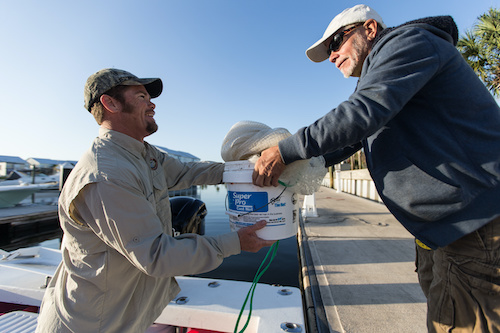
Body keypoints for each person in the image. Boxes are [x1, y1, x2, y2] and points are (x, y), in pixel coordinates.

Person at [252, 4, 500, 332]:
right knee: (444, 313)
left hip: (475, 222)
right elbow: (353, 136)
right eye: (329, 50)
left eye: (337, 42)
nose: (332, 55)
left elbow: (362, 112)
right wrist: (306, 163)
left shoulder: (409, 43)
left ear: (369, 29)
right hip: (442, 229)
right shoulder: (383, 71)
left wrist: (284, 151)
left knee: (461, 323)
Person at [36, 68, 275, 333]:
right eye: (141, 96)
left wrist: (249, 169)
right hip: (92, 324)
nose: (152, 104)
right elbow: (158, 256)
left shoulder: (142, 154)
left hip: (123, 317)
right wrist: (236, 242)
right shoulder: (106, 174)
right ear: (110, 103)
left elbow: (187, 171)